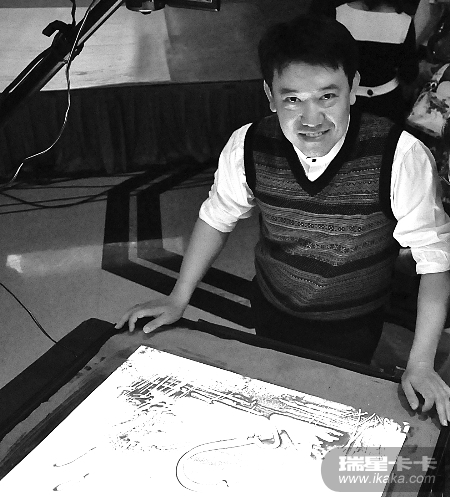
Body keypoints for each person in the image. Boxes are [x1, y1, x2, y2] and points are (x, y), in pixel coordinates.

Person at [116, 14, 450, 425]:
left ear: (352, 88)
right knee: (277, 407)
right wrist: (177, 298)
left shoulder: (400, 155)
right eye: (293, 100)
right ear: (270, 96)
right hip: (270, 304)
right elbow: (216, 218)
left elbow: (434, 259)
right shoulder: (248, 144)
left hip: (353, 320)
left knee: (334, 409)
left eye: (327, 97)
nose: (311, 119)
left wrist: (421, 363)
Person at [334, 0, 419, 124]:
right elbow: (409, 73)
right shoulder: (404, 22)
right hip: (387, 103)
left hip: (343, 100)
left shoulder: (339, 14)